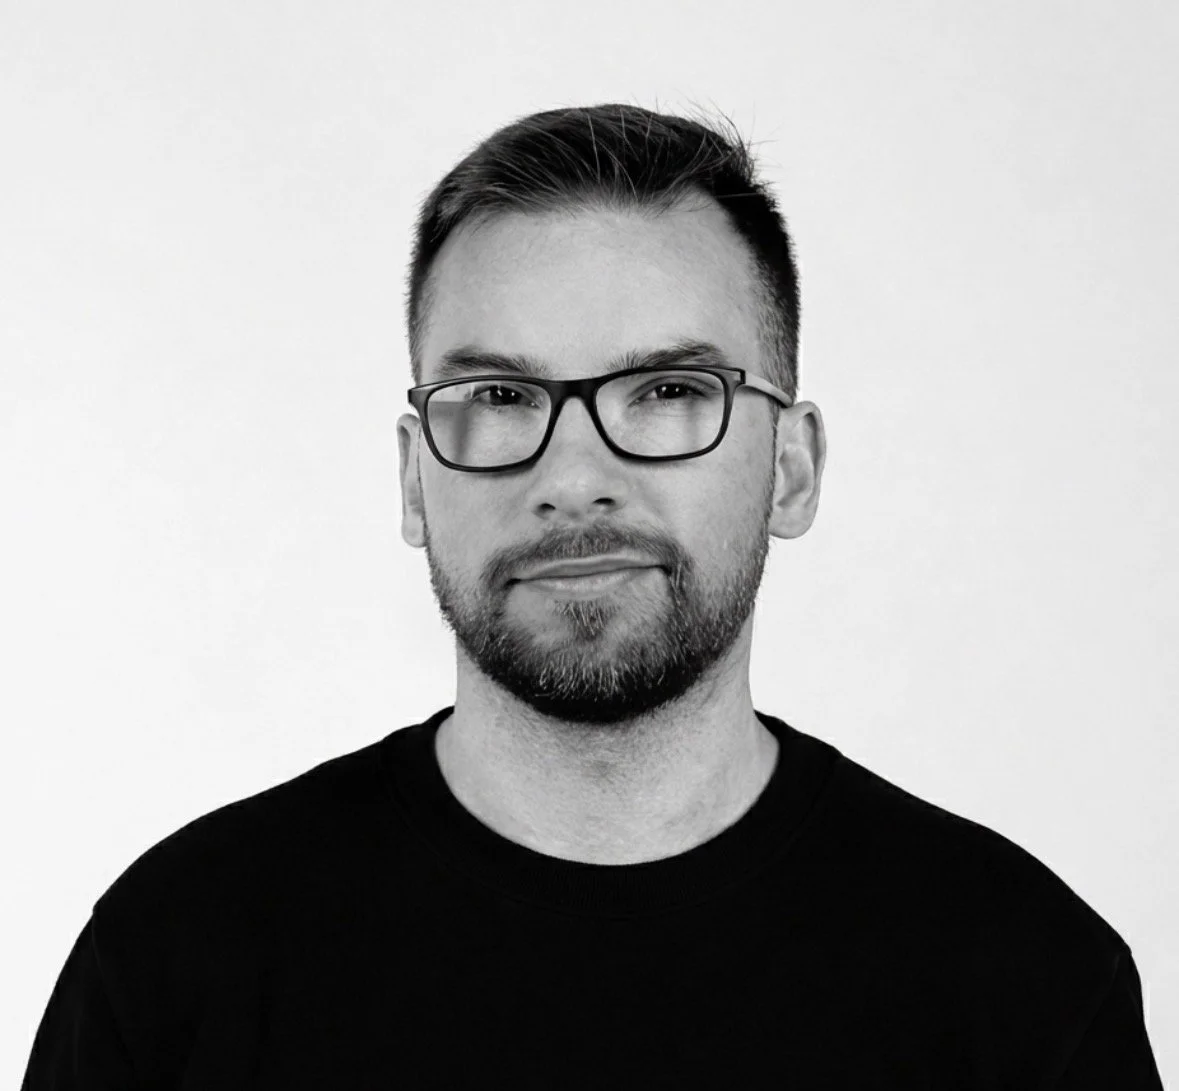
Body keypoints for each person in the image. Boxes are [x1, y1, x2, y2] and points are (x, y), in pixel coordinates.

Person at [22, 103, 1164, 1089]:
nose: (574, 478)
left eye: (670, 389)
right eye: (499, 395)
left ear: (794, 467)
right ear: (415, 478)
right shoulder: (177, 962)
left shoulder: (1024, 986)